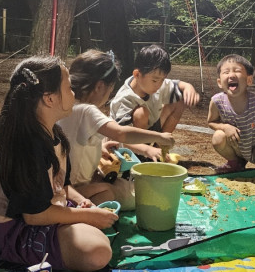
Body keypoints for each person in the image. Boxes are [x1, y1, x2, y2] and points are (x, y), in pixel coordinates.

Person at [0, 55, 118, 272]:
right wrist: (88, 215)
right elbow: (35, 216)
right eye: (69, 88)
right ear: (49, 98)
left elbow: (62, 186)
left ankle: (78, 229)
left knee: (105, 197)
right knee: (97, 251)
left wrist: (82, 202)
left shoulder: (54, 133)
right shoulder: (26, 147)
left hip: (48, 208)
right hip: (20, 229)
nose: (74, 93)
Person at [58, 49, 176, 210]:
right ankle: (82, 212)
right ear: (100, 87)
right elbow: (121, 133)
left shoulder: (67, 108)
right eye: (110, 89)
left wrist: (101, 147)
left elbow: (75, 144)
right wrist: (160, 137)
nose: (109, 94)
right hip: (76, 187)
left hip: (65, 185)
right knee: (132, 194)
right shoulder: (87, 111)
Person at [110, 44, 199, 160]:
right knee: (141, 113)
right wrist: (147, 149)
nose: (159, 85)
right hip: (129, 140)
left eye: (162, 79)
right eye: (155, 80)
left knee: (179, 100)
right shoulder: (125, 99)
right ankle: (139, 156)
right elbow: (120, 137)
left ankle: (160, 150)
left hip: (151, 127)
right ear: (137, 74)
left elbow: (177, 85)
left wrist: (188, 87)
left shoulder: (155, 84)